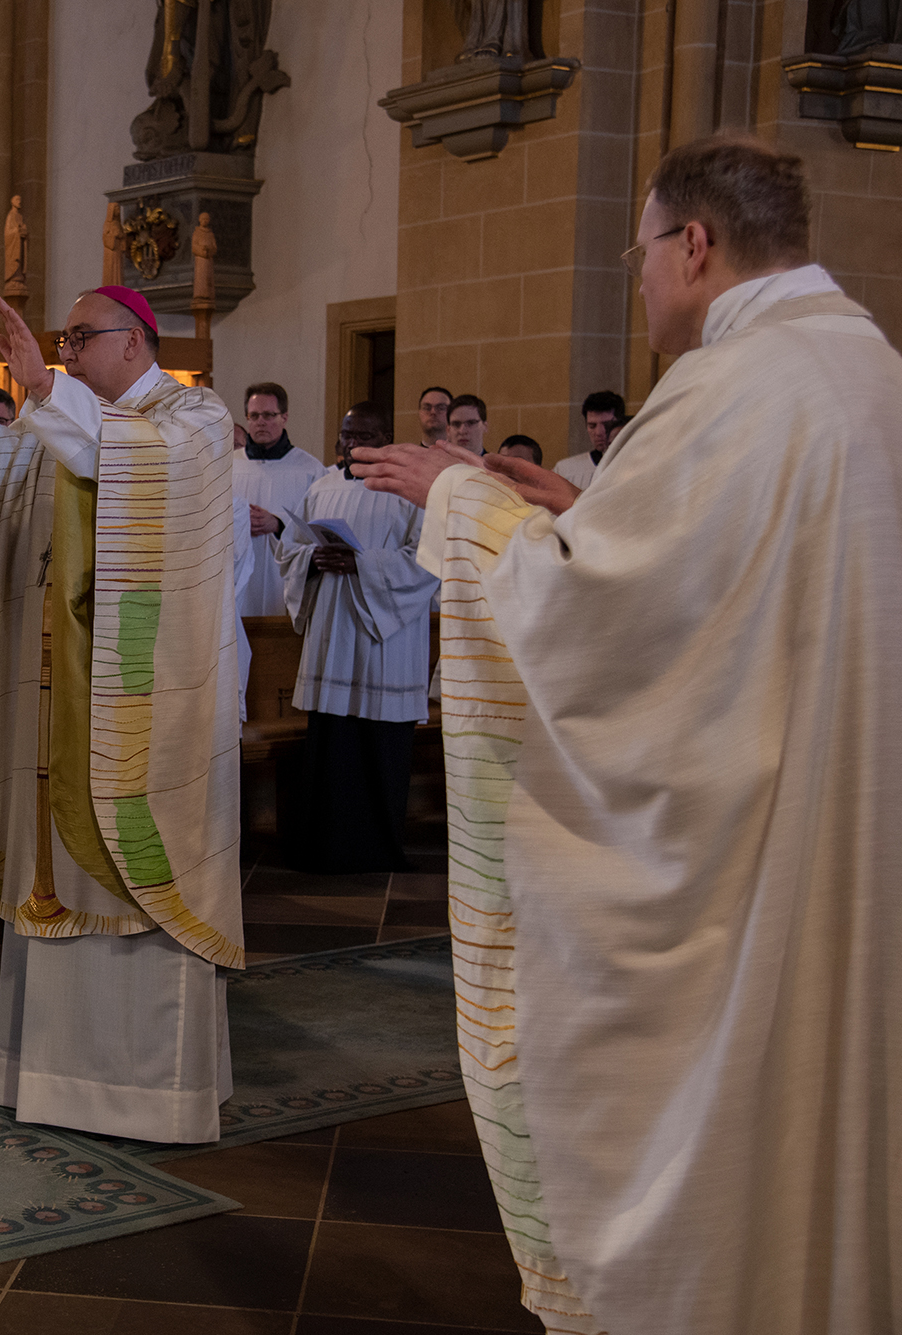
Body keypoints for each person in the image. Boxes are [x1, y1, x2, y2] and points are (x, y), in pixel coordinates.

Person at [349, 135, 902, 1335]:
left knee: (731, 1100)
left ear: (692, 244)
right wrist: (591, 507)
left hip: (751, 858)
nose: (636, 276)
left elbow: (591, 620)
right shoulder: (867, 368)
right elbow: (721, 584)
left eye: (638, 250)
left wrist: (456, 498)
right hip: (853, 818)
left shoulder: (724, 387)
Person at [0, 285, 248, 1145]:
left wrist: (46, 389)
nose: (68, 353)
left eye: (81, 338)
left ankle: (154, 1095)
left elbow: (129, 461)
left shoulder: (193, 419)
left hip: (148, 708)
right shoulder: (53, 424)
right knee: (55, 871)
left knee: (139, 869)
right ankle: (53, 1078)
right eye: (64, 340)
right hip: (53, 705)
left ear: (135, 341)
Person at [276, 402, 438, 873]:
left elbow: (429, 558)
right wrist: (312, 561)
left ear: (386, 439)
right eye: (348, 435)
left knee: (377, 747)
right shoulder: (322, 487)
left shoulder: (410, 493)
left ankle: (376, 849)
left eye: (364, 435)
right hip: (332, 634)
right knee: (333, 744)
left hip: (384, 643)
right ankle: (326, 847)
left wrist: (361, 564)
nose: (353, 444)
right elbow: (289, 550)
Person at [230, 380, 324, 617]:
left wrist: (279, 523)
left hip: (283, 578)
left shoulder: (310, 469)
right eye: (254, 415)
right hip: (236, 576)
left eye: (269, 415)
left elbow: (321, 527)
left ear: (284, 417)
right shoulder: (228, 466)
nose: (261, 422)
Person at [555, 389, 626, 489]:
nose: (598, 432)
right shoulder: (566, 470)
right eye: (592, 426)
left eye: (607, 425)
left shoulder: (637, 466)